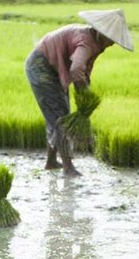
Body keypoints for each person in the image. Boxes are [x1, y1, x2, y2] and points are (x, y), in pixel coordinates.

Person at [25, 9, 133, 176]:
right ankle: (68, 168)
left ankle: (51, 162)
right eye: (111, 39)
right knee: (61, 118)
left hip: (50, 67)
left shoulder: (93, 40)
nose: (112, 44)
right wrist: (83, 95)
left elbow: (81, 70)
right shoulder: (87, 41)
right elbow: (76, 69)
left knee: (56, 115)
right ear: (100, 32)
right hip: (41, 66)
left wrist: (84, 91)